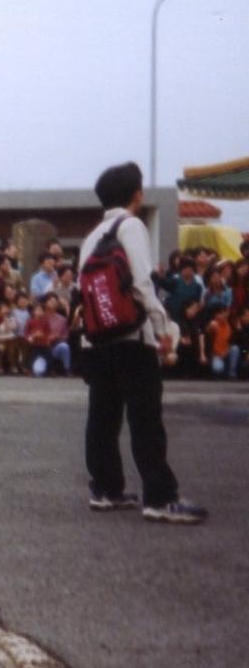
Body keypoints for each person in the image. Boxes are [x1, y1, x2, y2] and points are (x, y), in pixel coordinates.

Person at [79, 161, 206, 524]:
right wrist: (163, 327)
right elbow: (140, 284)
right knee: (145, 418)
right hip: (131, 338)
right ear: (137, 194)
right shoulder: (131, 225)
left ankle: (105, 489)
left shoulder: (91, 237)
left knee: (103, 417)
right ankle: (160, 497)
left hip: (97, 339)